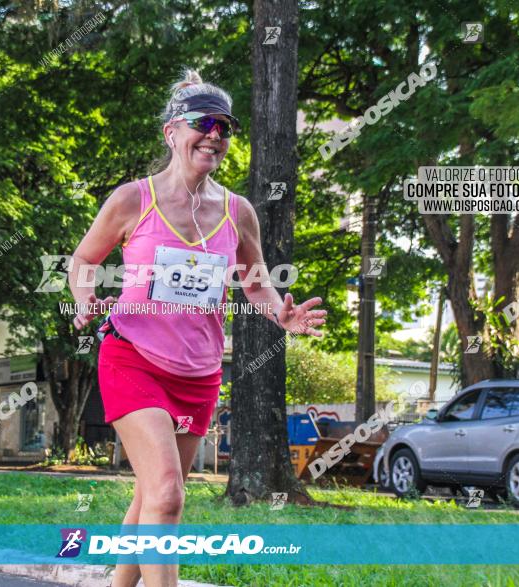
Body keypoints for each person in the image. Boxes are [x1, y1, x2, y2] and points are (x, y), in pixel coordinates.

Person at [68, 68, 326, 587]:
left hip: (198, 375)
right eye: (203, 122)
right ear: (172, 131)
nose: (215, 134)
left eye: (225, 127)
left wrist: (282, 314)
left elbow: (255, 283)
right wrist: (84, 297)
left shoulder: (238, 211)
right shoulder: (132, 200)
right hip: (132, 358)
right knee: (166, 494)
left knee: (150, 496)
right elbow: (82, 260)